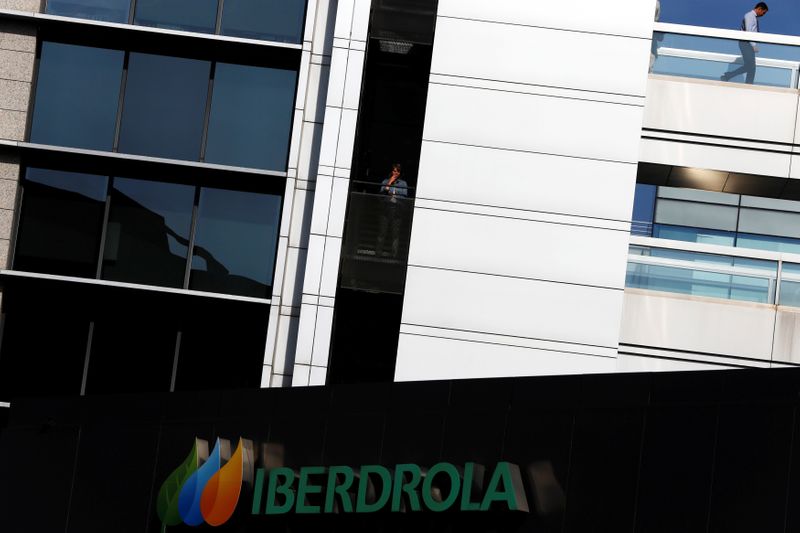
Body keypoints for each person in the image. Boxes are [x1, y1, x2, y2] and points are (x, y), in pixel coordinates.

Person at [721, 2, 769, 84]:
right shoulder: (750, 16)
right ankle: (747, 84)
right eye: (763, 12)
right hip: (745, 43)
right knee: (751, 67)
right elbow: (748, 32)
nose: (763, 15)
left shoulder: (753, 17)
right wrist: (753, 45)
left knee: (750, 67)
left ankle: (730, 76)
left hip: (748, 43)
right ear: (759, 9)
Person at [376, 163, 408, 258]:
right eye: (394, 170)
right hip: (385, 209)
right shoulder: (386, 181)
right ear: (391, 171)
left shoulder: (403, 183)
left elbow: (404, 195)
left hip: (397, 210)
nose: (396, 173)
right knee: (382, 232)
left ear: (400, 172)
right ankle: (378, 253)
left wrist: (393, 192)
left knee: (395, 234)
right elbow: (383, 191)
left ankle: (394, 255)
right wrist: (390, 181)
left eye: (397, 171)